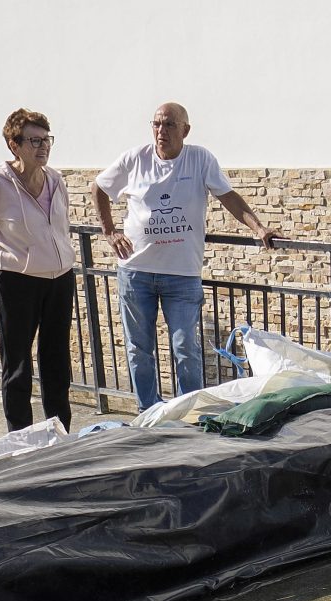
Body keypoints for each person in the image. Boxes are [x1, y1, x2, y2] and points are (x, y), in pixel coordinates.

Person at [93, 102, 278, 408]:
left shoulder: (199, 159)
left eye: (168, 125)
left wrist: (258, 228)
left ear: (185, 130)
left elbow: (228, 196)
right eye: (156, 124)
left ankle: (191, 413)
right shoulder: (134, 158)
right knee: (139, 348)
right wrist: (110, 231)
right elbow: (98, 188)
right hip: (136, 272)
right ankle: (148, 411)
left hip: (181, 275)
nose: (160, 131)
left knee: (186, 348)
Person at [0, 108, 76, 432]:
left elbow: (62, 229)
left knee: (56, 362)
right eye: (34, 141)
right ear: (14, 145)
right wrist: (7, 267)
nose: (43, 147)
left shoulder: (55, 180)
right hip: (18, 283)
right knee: (18, 365)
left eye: (47, 140)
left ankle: (60, 433)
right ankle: (21, 438)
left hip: (59, 280)